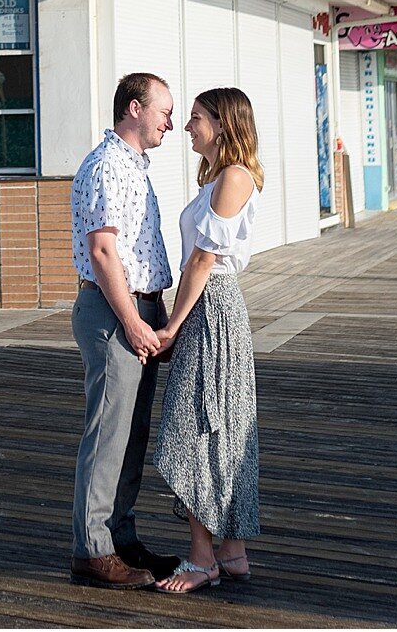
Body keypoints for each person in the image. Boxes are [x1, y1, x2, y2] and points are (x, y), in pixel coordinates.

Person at [69, 71, 180, 589]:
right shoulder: (107, 165)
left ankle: (120, 537)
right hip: (117, 314)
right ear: (134, 109)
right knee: (108, 435)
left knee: (131, 433)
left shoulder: (134, 165)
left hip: (140, 312)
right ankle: (92, 550)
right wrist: (134, 322)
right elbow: (103, 251)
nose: (171, 123)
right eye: (164, 112)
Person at [152, 87, 263, 593]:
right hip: (211, 308)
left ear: (223, 123)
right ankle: (231, 550)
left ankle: (203, 559)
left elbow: (203, 260)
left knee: (197, 425)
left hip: (211, 309)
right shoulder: (221, 177)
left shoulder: (235, 177)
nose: (187, 127)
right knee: (218, 423)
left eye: (196, 118)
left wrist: (172, 325)